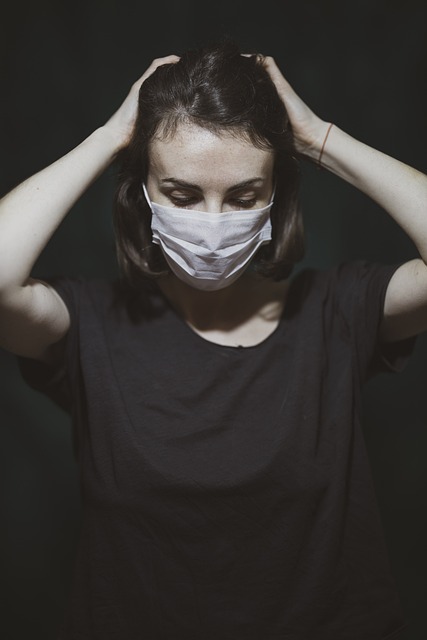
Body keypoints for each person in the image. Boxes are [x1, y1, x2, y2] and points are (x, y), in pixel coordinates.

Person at [0, 38, 425, 640]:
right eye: (182, 194)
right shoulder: (89, 324)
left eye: (244, 196)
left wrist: (317, 139)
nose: (213, 224)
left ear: (275, 196)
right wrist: (111, 139)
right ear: (142, 191)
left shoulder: (338, 312)